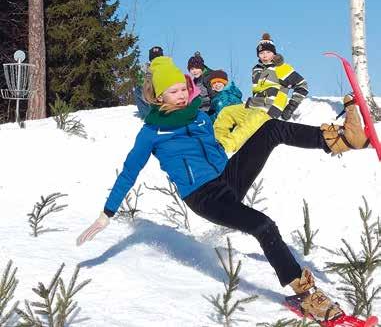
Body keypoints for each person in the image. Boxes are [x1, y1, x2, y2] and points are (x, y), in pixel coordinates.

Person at [77, 56, 370, 322]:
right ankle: (307, 296)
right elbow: (129, 172)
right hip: (204, 197)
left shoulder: (199, 115)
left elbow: (219, 143)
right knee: (263, 226)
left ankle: (343, 140)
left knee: (271, 129)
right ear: (158, 95)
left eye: (183, 88)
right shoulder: (151, 133)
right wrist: (106, 213)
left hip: (227, 178)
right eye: (173, 91)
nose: (181, 94)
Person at [246, 33, 308, 121]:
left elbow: (302, 85)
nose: (265, 55)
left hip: (272, 110)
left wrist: (290, 107)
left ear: (274, 53)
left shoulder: (280, 67)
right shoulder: (256, 70)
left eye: (268, 52)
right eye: (261, 53)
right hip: (255, 108)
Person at [133, 46, 164, 119]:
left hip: (164, 94)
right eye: (153, 59)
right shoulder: (147, 68)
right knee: (138, 90)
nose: (155, 60)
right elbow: (141, 82)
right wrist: (144, 74)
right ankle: (147, 115)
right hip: (153, 94)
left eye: (158, 58)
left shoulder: (165, 67)